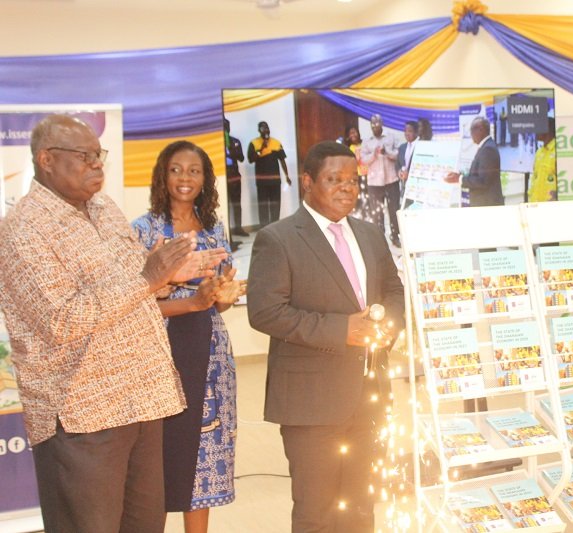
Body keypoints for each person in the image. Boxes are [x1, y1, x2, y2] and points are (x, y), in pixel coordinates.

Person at [0, 114, 226, 532]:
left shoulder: (103, 207)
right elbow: (61, 320)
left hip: (144, 401)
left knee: (144, 525)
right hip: (84, 415)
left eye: (98, 154)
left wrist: (168, 276)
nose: (97, 164)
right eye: (84, 156)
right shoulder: (23, 230)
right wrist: (149, 277)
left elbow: (133, 286)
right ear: (47, 159)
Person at [247, 141, 404, 532]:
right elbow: (265, 311)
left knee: (360, 505)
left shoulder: (370, 234)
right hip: (311, 402)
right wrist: (343, 330)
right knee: (316, 511)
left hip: (369, 394)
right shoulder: (278, 239)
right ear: (307, 182)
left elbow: (394, 291)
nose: (347, 189)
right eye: (334, 180)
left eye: (353, 181)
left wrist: (389, 330)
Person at [133, 141, 245, 533]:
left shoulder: (213, 229)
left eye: (194, 171)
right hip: (159, 355)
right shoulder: (142, 230)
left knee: (204, 453)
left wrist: (224, 294)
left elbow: (217, 303)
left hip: (211, 355)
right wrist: (194, 300)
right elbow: (132, 305)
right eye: (176, 170)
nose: (185, 178)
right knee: (162, 458)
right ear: (163, 175)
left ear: (205, 179)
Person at [360, 114, 401, 247]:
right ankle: (379, 239)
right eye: (373, 124)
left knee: (394, 209)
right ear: (371, 125)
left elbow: (398, 154)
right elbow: (363, 160)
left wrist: (387, 152)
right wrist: (375, 154)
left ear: (382, 124)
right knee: (377, 212)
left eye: (377, 123)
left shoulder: (391, 137)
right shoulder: (367, 141)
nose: (375, 126)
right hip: (374, 183)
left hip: (391, 180)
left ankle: (395, 237)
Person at [445, 116, 504, 207]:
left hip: (487, 206)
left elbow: (482, 181)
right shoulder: (485, 146)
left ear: (481, 129)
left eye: (472, 130)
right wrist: (460, 175)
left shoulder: (488, 149)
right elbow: (479, 174)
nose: (471, 134)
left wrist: (459, 179)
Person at [247, 121, 292, 227]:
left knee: (275, 205)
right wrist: (261, 149)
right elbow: (251, 159)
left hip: (275, 180)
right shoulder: (254, 143)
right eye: (263, 128)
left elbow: (282, 160)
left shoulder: (276, 143)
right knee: (263, 206)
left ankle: (275, 227)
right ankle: (264, 228)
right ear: (259, 131)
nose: (266, 130)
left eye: (267, 128)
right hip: (262, 181)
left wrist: (287, 176)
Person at [223, 118, 247, 237]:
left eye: (227, 126)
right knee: (224, 203)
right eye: (223, 126)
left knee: (236, 203)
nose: (226, 128)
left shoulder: (235, 141)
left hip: (235, 175)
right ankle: (226, 231)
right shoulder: (217, 143)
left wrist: (232, 149)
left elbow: (242, 158)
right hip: (223, 177)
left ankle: (238, 228)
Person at [527, 117, 557, 203]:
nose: (535, 131)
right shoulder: (539, 152)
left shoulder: (558, 151)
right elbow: (534, 178)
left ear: (548, 129)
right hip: (535, 204)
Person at [344, 125, 368, 219]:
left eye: (354, 132)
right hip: (358, 176)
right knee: (360, 198)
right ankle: (361, 216)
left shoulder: (365, 144)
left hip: (369, 175)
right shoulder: (350, 147)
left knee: (369, 198)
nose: (353, 135)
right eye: (350, 133)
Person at [396, 120, 419, 194]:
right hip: (404, 186)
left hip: (417, 187)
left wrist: (410, 173)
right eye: (405, 131)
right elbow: (397, 164)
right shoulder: (402, 147)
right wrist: (399, 172)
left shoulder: (421, 146)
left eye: (410, 131)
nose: (407, 133)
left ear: (416, 132)